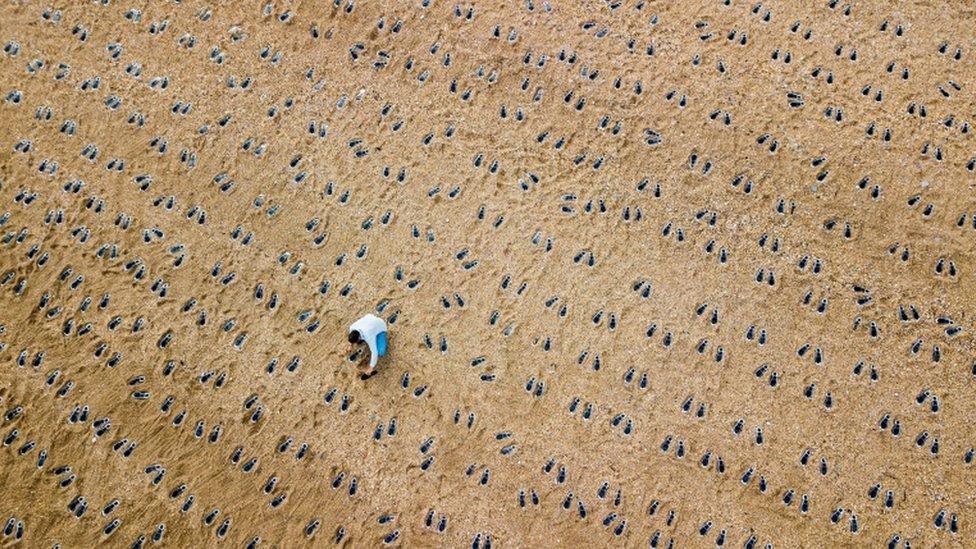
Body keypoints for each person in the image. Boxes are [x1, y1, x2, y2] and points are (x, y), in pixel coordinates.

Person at [348, 314, 388, 379]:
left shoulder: (368, 336)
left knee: (381, 352)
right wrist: (350, 345)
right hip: (370, 319)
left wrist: (371, 367)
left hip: (380, 327)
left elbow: (374, 352)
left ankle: (382, 336)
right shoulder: (352, 327)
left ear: (359, 338)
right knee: (363, 341)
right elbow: (351, 337)